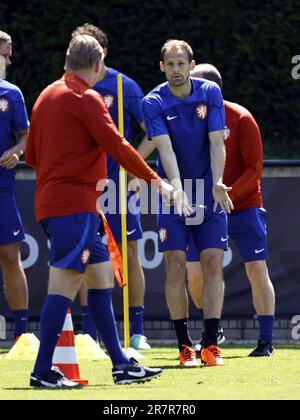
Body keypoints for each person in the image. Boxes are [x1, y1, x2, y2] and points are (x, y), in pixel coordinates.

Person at [26, 34, 174, 388]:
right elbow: (119, 145)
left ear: (67, 60)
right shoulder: (86, 98)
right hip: (74, 206)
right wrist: (156, 180)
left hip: (62, 203)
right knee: (64, 284)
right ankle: (42, 370)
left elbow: (31, 156)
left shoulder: (46, 95)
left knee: (101, 277)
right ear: (97, 65)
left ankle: (121, 364)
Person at [142, 40, 233, 367]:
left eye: (182, 64)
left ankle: (210, 345)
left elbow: (216, 142)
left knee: (211, 263)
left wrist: (219, 182)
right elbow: (164, 150)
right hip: (173, 193)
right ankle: (184, 347)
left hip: (209, 192)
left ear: (191, 65)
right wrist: (177, 191)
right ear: (162, 67)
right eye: (171, 64)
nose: (176, 70)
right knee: (175, 265)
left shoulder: (210, 92)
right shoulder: (153, 101)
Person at [187, 64, 275, 357]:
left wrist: (230, 192)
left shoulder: (241, 118)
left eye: (195, 85)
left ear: (212, 89)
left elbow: (255, 168)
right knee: (196, 272)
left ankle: (266, 341)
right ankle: (213, 327)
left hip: (244, 204)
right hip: (206, 206)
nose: (189, 91)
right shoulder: (190, 119)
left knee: (256, 267)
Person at [72, 24, 150, 350]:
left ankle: (138, 331)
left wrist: (134, 168)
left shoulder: (123, 85)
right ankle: (89, 332)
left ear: (101, 55)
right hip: (85, 185)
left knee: (129, 252)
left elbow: (152, 131)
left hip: (119, 187)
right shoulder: (70, 88)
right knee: (85, 253)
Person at [0, 31, 29, 341]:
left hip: (2, 188)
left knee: (10, 255)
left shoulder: (12, 94)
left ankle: (21, 335)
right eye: (5, 53)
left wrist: (16, 151)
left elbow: (25, 135)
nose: (9, 60)